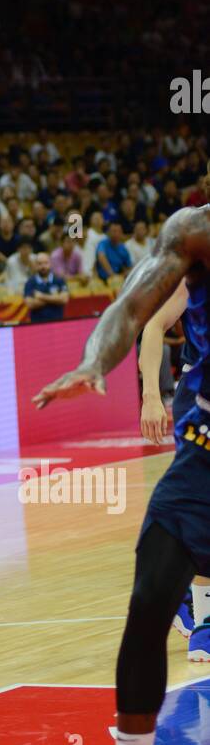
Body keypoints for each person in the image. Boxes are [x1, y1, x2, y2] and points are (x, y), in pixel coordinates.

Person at [34, 202, 210, 745]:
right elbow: (129, 310)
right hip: (201, 462)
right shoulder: (194, 232)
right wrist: (92, 362)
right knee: (146, 607)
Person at [137, 278, 210, 660]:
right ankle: (204, 621)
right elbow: (153, 325)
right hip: (198, 399)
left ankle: (179, 592)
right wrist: (151, 395)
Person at [23, 250, 69, 323]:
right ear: (35, 265)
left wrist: (41, 296)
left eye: (46, 263)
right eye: (40, 264)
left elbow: (64, 299)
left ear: (50, 264)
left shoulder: (59, 280)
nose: (43, 266)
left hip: (58, 323)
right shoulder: (30, 282)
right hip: (37, 324)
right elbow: (30, 304)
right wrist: (55, 298)